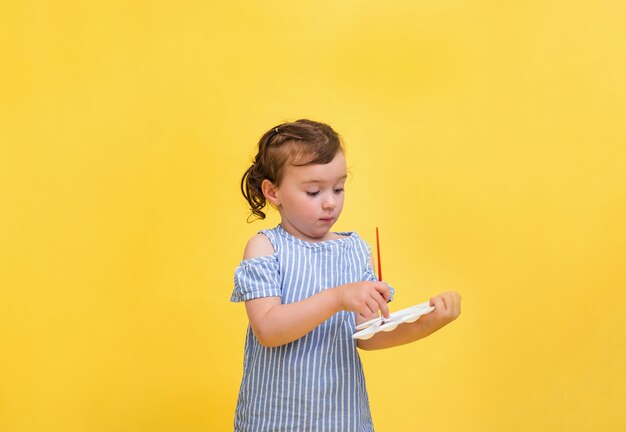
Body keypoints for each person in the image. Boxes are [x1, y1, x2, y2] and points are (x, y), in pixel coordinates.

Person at [231, 119, 461, 431]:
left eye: (338, 188)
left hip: (342, 419)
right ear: (273, 192)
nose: (330, 202)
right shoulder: (265, 248)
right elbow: (269, 330)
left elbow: (368, 336)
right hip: (275, 419)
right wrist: (337, 297)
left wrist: (429, 321)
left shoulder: (354, 251)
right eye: (313, 191)